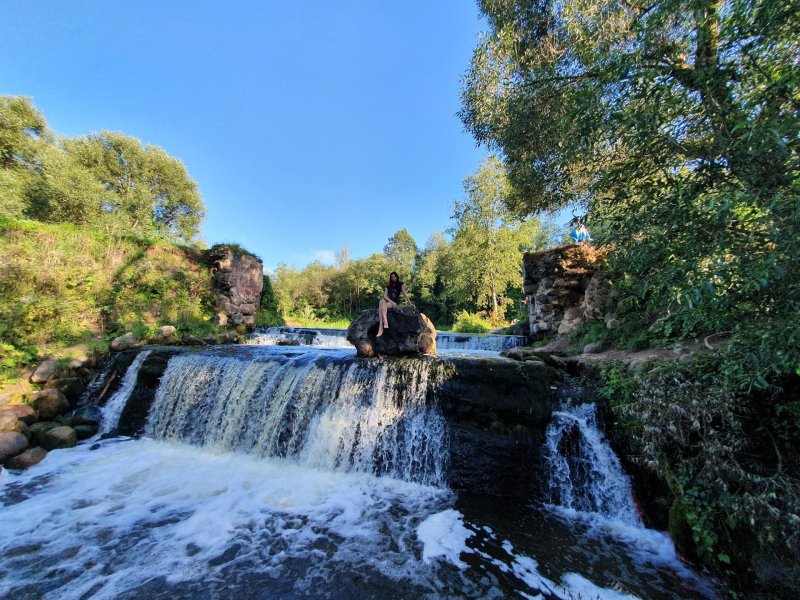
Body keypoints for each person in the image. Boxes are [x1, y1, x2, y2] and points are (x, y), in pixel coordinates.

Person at [377, 271, 411, 337]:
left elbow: (404, 293)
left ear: (397, 276)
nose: (393, 278)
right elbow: (385, 296)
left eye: (394, 276)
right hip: (388, 302)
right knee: (381, 302)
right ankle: (385, 322)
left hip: (393, 303)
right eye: (392, 277)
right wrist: (390, 301)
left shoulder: (400, 284)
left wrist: (410, 302)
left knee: (381, 306)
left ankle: (380, 328)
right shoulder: (388, 286)